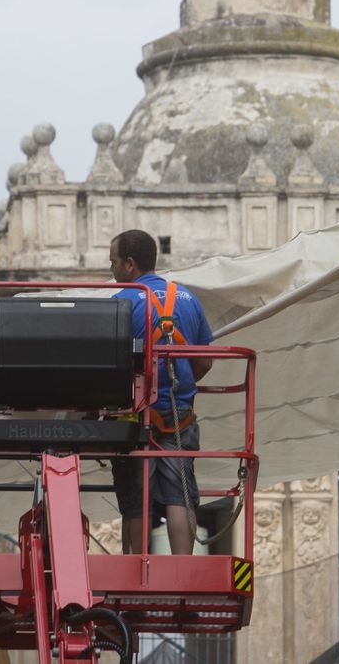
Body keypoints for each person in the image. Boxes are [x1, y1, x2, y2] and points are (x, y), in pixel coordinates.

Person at [107, 230, 215, 555]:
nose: (110, 270)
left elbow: (109, 368)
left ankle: (135, 568)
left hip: (134, 417)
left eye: (113, 262)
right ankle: (183, 569)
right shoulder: (187, 299)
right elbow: (206, 361)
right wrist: (180, 387)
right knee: (179, 497)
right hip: (179, 416)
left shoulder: (120, 304)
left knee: (136, 502)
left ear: (129, 264)